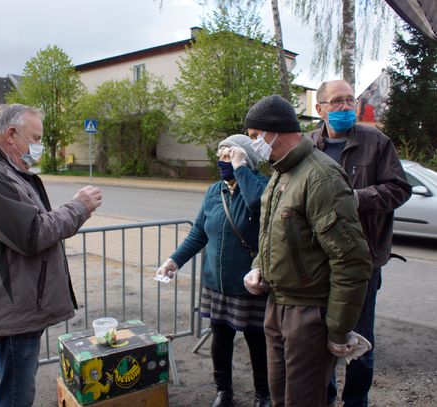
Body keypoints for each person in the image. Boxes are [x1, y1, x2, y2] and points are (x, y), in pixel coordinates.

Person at [0, 103, 102, 407]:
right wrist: (79, 207)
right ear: (11, 134)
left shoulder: (4, 170)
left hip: (14, 304)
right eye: (35, 138)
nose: (39, 147)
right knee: (16, 396)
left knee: (17, 388)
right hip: (10, 308)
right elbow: (33, 233)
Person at [243, 95, 372, 407]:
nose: (252, 145)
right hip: (277, 304)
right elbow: (272, 234)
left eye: (254, 137)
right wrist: (259, 266)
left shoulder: (320, 177)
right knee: (280, 398)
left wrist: (338, 330)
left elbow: (351, 260)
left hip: (308, 313)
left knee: (303, 401)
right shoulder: (281, 172)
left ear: (274, 132)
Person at [309, 80, 412, 407]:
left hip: (362, 263)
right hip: (318, 261)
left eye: (349, 100)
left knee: (359, 340)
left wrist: (357, 198)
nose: (345, 107)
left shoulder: (376, 142)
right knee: (320, 338)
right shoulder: (309, 146)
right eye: (336, 101)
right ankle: (324, 398)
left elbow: (399, 189)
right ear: (320, 108)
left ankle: (356, 402)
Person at [157, 134, 270, 407]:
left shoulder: (262, 187)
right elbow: (199, 233)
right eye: (220, 156)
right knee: (220, 338)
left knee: (257, 340)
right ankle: (223, 391)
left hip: (249, 284)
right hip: (216, 283)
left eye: (229, 156)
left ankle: (263, 395)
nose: (223, 162)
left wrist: (243, 171)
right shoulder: (213, 191)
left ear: (244, 159)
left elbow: (258, 204)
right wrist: (174, 260)